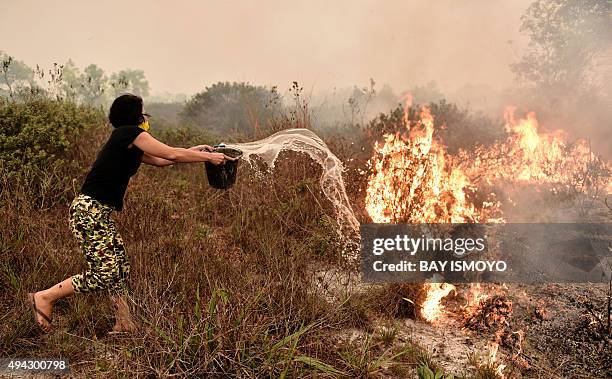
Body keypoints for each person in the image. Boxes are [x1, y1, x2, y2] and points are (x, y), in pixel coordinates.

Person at [28, 93, 229, 333]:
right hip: (88, 211)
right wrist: (209, 156)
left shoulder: (129, 140)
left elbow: (165, 159)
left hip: (97, 213)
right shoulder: (130, 134)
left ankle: (124, 323)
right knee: (105, 273)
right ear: (135, 115)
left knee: (120, 267)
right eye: (142, 112)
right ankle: (45, 297)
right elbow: (171, 154)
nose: (145, 117)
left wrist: (194, 151)